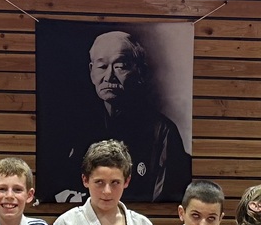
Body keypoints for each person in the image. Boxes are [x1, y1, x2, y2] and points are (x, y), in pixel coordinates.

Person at [58, 30, 192, 204]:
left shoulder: (162, 132)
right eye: (102, 67)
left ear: (140, 72)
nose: (109, 77)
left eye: (120, 66)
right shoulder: (75, 125)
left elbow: (165, 200)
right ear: (91, 71)